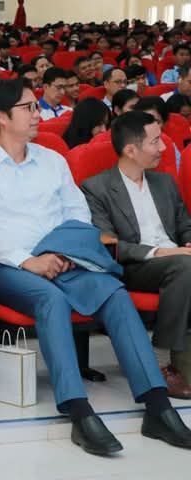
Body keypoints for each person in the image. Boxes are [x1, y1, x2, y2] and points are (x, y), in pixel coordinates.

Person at [0, 79, 191, 456]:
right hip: (7, 265)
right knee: (51, 300)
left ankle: (157, 406)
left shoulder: (52, 160)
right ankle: (77, 410)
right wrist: (29, 260)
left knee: (114, 293)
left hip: (62, 257)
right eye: (28, 108)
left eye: (36, 106)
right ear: (1, 117)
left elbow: (78, 213)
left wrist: (59, 251)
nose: (37, 114)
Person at [81, 111, 191, 399]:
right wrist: (164, 252)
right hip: (134, 265)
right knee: (185, 265)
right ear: (131, 150)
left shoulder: (164, 183)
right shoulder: (97, 188)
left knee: (185, 263)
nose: (164, 148)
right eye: (155, 142)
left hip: (179, 259)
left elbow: (184, 226)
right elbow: (109, 244)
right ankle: (160, 360)